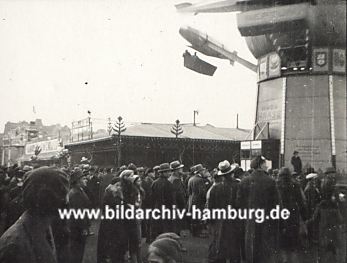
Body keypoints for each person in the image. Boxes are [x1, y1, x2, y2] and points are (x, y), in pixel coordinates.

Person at [0, 167, 69, 263]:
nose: (66, 200)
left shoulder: (43, 227)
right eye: (64, 193)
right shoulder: (15, 245)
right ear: (52, 199)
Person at [236, 155, 280, 263]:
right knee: (265, 247)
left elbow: (238, 203)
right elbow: (276, 203)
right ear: (260, 164)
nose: (266, 165)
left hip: (249, 219)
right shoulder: (271, 181)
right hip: (267, 219)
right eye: (265, 163)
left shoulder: (244, 181)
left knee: (251, 246)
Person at [276, 167, 307, 263]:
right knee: (293, 244)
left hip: (280, 216)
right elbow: (301, 202)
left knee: (283, 244)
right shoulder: (295, 185)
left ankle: (284, 260)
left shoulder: (276, 185)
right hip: (293, 216)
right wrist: (304, 217)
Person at [97, 177, 127, 263]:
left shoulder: (117, 195)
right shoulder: (108, 195)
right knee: (110, 247)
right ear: (111, 186)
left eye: (120, 186)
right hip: (110, 225)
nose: (119, 187)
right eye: (117, 185)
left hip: (116, 224)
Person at [68, 169, 91, 263]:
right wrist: (83, 228)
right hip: (77, 228)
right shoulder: (75, 193)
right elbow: (79, 213)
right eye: (84, 178)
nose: (86, 180)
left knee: (78, 251)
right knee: (77, 251)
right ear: (77, 181)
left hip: (76, 227)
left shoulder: (78, 190)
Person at [151, 163, 175, 239]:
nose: (169, 173)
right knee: (166, 229)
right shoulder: (168, 184)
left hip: (156, 207)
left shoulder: (154, 183)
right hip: (166, 209)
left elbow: (152, 197)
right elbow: (170, 199)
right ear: (163, 173)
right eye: (168, 172)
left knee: (158, 228)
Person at [187, 164, 208, 237]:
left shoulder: (191, 179)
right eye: (202, 170)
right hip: (198, 200)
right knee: (198, 216)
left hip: (191, 199)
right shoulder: (200, 180)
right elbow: (202, 192)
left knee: (193, 216)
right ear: (200, 171)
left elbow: (188, 191)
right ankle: (198, 232)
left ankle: (193, 232)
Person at [169, 161, 187, 235]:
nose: (182, 170)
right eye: (180, 168)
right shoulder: (176, 180)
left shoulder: (171, 178)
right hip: (177, 205)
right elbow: (179, 194)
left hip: (173, 204)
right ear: (176, 170)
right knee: (176, 225)